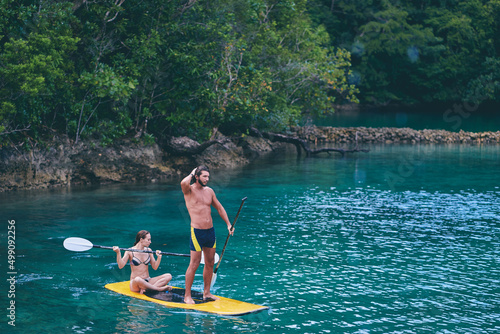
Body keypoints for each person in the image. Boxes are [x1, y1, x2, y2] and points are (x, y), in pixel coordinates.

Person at [181, 165, 233, 304]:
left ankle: (207, 293)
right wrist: (192, 172)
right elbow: (183, 182)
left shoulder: (209, 191)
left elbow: (219, 208)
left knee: (210, 262)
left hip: (210, 231)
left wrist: (228, 224)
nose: (207, 179)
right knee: (194, 263)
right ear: (197, 177)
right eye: (204, 176)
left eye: (208, 176)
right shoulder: (189, 190)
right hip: (196, 232)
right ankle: (187, 295)